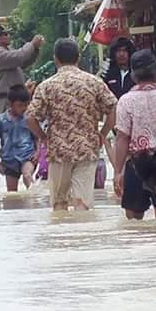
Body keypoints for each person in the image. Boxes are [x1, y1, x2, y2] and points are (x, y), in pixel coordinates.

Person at [26, 38, 117, 211]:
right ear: (78, 57)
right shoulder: (94, 82)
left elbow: (30, 118)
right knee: (82, 201)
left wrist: (44, 138)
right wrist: (102, 134)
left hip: (58, 150)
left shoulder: (46, 86)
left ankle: (63, 236)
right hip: (87, 148)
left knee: (59, 202)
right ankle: (81, 235)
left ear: (56, 59)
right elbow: (113, 109)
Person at [112, 49, 156, 221]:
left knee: (133, 218)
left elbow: (122, 138)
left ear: (134, 75)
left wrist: (117, 171)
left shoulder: (126, 100)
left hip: (136, 164)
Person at [0, 85, 38, 191]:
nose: (24, 108)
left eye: (27, 104)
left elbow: (37, 137)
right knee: (12, 192)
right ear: (10, 104)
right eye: (20, 105)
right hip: (9, 160)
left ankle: (34, 201)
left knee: (27, 175)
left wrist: (37, 153)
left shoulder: (29, 118)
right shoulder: (0, 121)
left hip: (27, 156)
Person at [0, 24, 45, 111]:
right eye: (5, 34)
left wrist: (35, 49)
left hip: (16, 97)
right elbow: (20, 56)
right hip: (6, 99)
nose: (8, 36)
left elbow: (24, 62)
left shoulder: (7, 51)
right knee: (8, 123)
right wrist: (32, 44)